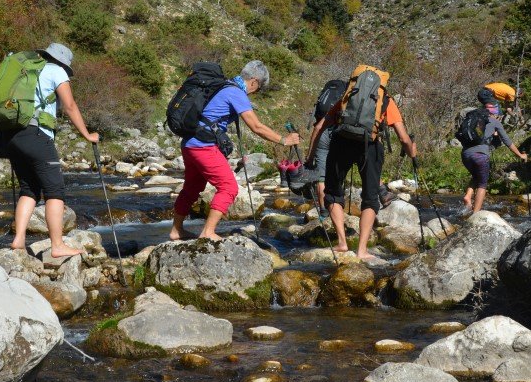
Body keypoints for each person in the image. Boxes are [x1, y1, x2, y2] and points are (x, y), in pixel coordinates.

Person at [170, 61, 300, 242]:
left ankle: (176, 230)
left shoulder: (223, 86)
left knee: (192, 188)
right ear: (254, 81)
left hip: (189, 143)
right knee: (228, 187)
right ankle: (208, 232)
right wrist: (284, 140)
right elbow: (256, 126)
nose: (256, 91)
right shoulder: (236, 92)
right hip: (203, 146)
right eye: (259, 88)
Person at [310, 69, 416, 261]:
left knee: (333, 192)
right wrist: (412, 153)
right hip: (371, 147)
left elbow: (319, 126)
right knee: (370, 196)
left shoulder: (348, 95)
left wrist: (310, 159)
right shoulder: (386, 100)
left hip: (341, 143)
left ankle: (342, 243)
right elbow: (403, 137)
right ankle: (362, 251)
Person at [6, 43, 99, 257]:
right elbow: (70, 106)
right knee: (55, 190)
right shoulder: (56, 71)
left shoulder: (27, 69)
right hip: (38, 136)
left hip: (14, 136)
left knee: (29, 188)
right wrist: (87, 134)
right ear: (63, 63)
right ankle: (57, 245)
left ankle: (19, 239)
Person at [461, 88, 528, 214]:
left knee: (477, 175)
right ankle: (476, 215)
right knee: (482, 184)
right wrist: (520, 155)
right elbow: (508, 142)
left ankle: (468, 196)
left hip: (465, 154)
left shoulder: (473, 116)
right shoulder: (494, 121)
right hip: (480, 155)